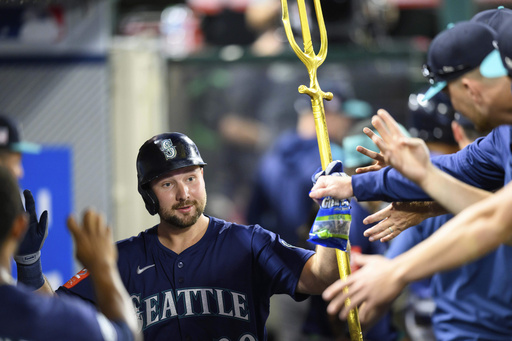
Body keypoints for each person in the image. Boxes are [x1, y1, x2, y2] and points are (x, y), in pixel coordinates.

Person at [316, 16, 512, 328]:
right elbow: (457, 172)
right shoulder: (504, 135)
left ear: (469, 87)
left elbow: (499, 219)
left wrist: (397, 270)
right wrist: (358, 184)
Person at [56, 132, 339, 340]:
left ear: (202, 177)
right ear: (148, 196)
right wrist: (30, 264)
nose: (184, 194)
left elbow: (323, 276)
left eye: (191, 178)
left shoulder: (249, 243)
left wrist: (334, 212)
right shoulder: (122, 259)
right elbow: (52, 313)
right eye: (168, 184)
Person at [0, 165, 141, 340]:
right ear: (19, 227)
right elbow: (126, 336)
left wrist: (29, 263)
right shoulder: (70, 322)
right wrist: (103, 266)